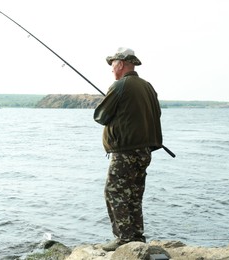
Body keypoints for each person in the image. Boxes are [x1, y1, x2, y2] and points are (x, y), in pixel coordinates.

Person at [93, 47, 163, 251]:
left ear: (121, 64)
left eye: (112, 64)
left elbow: (101, 116)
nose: (111, 69)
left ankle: (124, 239)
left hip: (125, 152)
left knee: (114, 192)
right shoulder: (147, 86)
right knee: (133, 193)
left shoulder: (120, 85)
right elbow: (156, 114)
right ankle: (137, 237)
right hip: (144, 152)